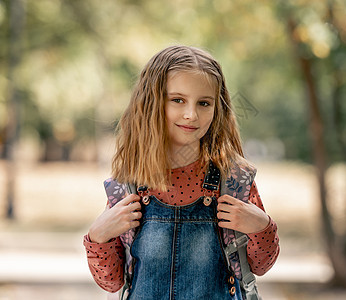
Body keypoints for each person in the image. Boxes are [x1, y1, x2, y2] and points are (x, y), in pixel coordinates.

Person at [84, 45, 280, 300]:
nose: (191, 114)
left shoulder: (233, 181)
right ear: (152, 103)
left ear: (216, 109)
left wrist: (262, 226)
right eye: (178, 100)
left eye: (204, 103)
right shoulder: (128, 186)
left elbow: (260, 266)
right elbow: (111, 283)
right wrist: (97, 236)